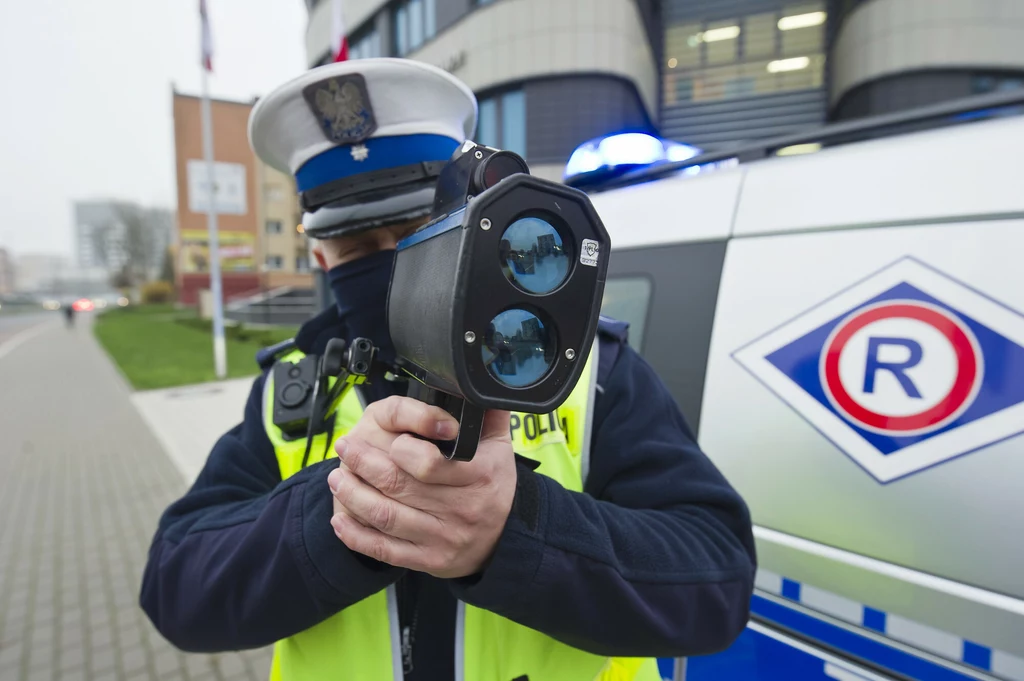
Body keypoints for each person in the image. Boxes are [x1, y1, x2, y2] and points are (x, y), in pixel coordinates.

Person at [140, 58, 757, 681]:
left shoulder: (591, 373)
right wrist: (348, 511)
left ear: (472, 226)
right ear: (322, 256)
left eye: (415, 233)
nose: (387, 263)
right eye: (355, 247)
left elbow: (718, 578)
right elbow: (177, 588)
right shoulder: (290, 391)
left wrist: (518, 533)